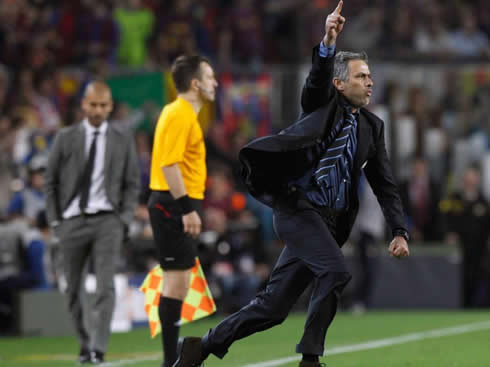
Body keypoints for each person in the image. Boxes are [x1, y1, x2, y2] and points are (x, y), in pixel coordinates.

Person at [173, 2, 410, 367]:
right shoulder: (321, 105)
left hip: (330, 222)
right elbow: (315, 82)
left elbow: (385, 184)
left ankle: (201, 346)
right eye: (362, 76)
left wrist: (399, 229)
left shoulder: (373, 127)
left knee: (273, 307)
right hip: (298, 209)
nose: (370, 82)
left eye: (370, 76)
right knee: (336, 271)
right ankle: (310, 360)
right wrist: (327, 41)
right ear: (339, 82)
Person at [44, 81, 140, 364]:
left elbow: (132, 184)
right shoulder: (65, 137)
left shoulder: (123, 138)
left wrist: (123, 219)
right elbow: (50, 181)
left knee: (104, 286)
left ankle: (99, 347)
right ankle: (86, 344)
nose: (98, 110)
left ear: (110, 107)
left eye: (103, 105)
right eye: (93, 105)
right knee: (72, 289)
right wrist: (55, 221)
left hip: (108, 221)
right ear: (83, 105)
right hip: (71, 221)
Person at [147, 55, 218, 367]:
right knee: (176, 282)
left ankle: (170, 357)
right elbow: (170, 164)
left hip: (173, 202)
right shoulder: (179, 113)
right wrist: (187, 209)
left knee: (179, 283)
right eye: (210, 77)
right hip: (172, 203)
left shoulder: (183, 114)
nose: (215, 83)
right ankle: (167, 360)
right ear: (195, 83)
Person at [440, 164, 490, 308]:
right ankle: (461, 306)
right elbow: (444, 218)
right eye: (467, 178)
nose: (470, 181)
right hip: (459, 249)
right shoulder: (453, 199)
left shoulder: (483, 202)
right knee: (460, 280)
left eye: (472, 178)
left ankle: (477, 306)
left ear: (477, 180)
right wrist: (448, 233)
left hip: (479, 251)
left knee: (479, 279)